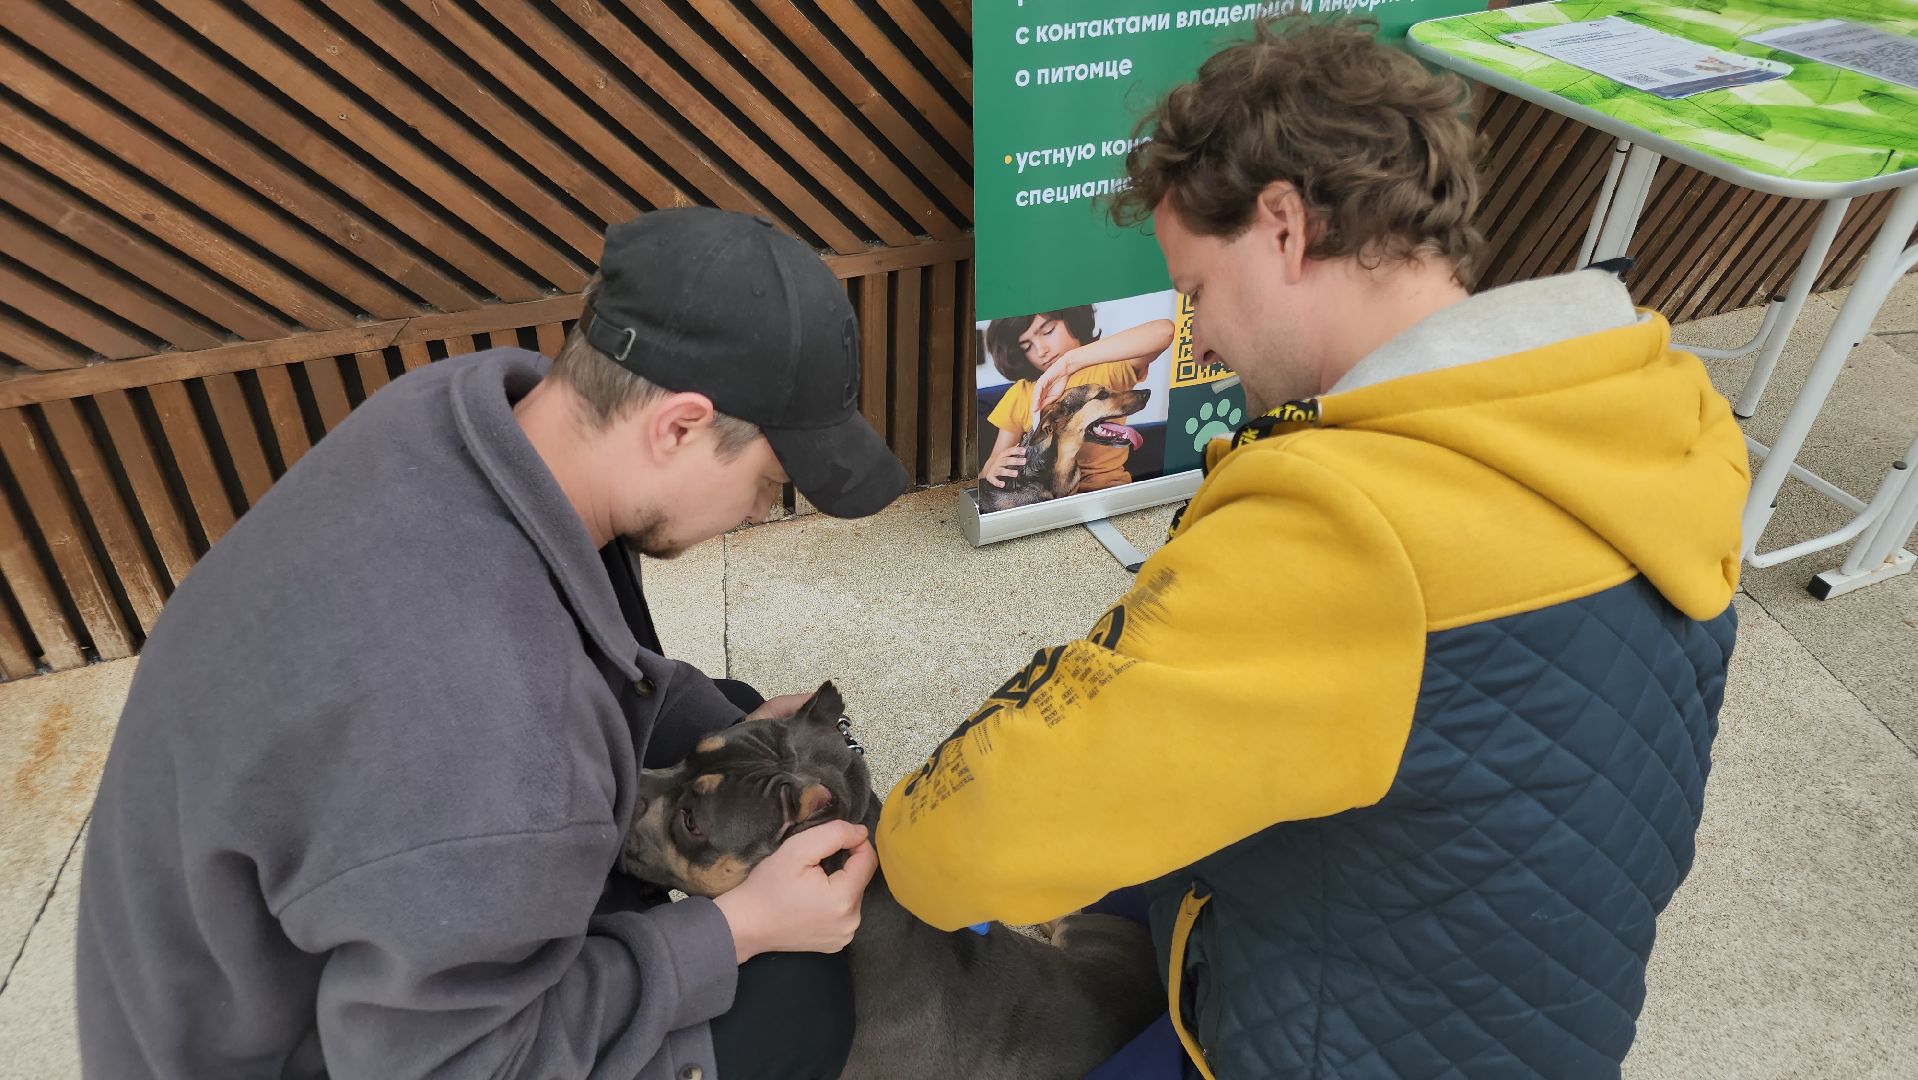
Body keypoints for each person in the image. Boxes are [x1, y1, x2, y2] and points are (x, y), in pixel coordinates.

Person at [877, 17, 1748, 1080]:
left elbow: (969, 844)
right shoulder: (1647, 417)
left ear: (1284, 227)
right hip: (1529, 1009)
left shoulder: (1353, 528)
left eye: (1195, 291)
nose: (1202, 339)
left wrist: (899, 832)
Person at [75, 208, 906, 1080]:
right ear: (680, 426)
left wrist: (735, 731)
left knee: (725, 715)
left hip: (274, 941)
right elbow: (455, 1064)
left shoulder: (463, 414)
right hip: (311, 1049)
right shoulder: (493, 725)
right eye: (769, 483)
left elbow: (597, 671)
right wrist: (733, 933)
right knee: (799, 1004)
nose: (762, 511)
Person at [978, 306, 1174, 496]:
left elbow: (1164, 332)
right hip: (1045, 504)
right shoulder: (1021, 394)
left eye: (1048, 331)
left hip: (1109, 492)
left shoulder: (1107, 369)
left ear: (1073, 319)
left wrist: (1068, 363)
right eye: (1027, 346)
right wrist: (991, 468)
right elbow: (992, 467)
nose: (1041, 350)